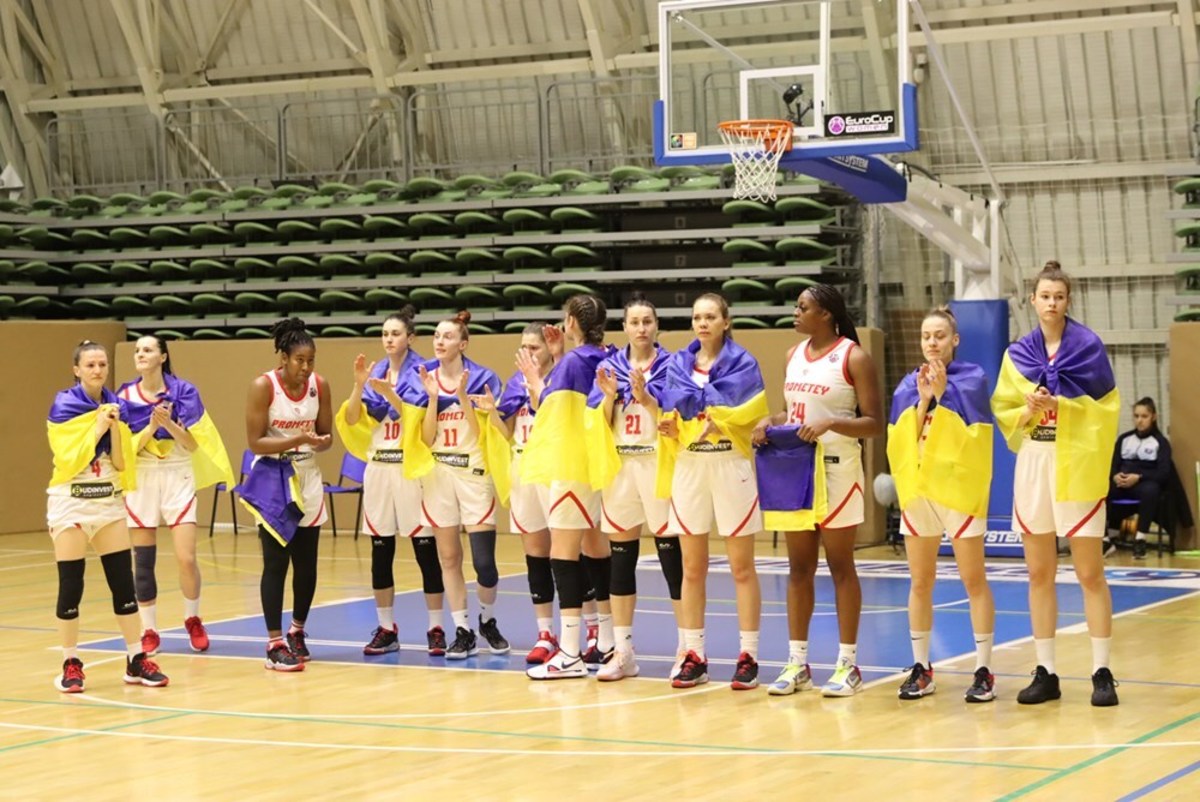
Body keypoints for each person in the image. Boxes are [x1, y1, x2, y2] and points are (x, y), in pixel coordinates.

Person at [992, 261, 1120, 706]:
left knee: (1089, 572)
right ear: (1033, 300)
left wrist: (1065, 405)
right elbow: (1005, 413)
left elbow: (1107, 411)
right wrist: (1028, 409)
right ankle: (1046, 671)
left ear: (1068, 301)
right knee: (1039, 573)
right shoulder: (1017, 355)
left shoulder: (1088, 347)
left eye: (1059, 297)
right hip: (1035, 462)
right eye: (1045, 296)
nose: (1051, 303)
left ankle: (1101, 671)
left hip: (1076, 460)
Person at [752, 284, 884, 698]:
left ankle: (847, 664)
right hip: (797, 473)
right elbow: (793, 413)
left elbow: (875, 423)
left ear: (825, 314)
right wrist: (766, 423)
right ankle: (797, 662)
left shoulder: (854, 357)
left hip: (838, 472)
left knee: (841, 567)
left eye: (803, 307)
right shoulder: (793, 356)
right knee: (798, 568)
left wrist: (832, 424)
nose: (795, 312)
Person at [886, 307, 997, 702]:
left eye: (939, 336)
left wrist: (944, 394)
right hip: (921, 493)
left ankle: (983, 669)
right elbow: (899, 441)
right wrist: (923, 401)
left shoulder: (972, 380)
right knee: (920, 581)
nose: (932, 342)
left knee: (973, 580)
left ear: (955, 340)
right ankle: (921, 667)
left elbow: (975, 437)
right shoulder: (907, 384)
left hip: (960, 492)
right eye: (926, 336)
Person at [659, 293, 768, 690]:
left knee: (741, 567)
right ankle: (694, 654)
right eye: (696, 317)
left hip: (730, 465)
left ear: (725, 321)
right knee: (692, 568)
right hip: (690, 467)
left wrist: (721, 421)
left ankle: (748, 655)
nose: (702, 323)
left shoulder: (744, 364)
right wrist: (671, 427)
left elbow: (754, 415)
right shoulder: (676, 365)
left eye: (710, 317)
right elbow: (671, 413)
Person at [46, 340, 169, 691]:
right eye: (90, 365)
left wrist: (115, 428)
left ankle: (135, 659)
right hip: (71, 501)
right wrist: (97, 427)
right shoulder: (64, 404)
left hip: (107, 501)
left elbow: (120, 462)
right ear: (77, 370)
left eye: (102, 365)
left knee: (123, 584)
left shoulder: (118, 406)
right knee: (72, 585)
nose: (98, 370)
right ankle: (70, 662)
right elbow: (68, 459)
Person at [334, 308, 448, 656]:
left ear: (410, 338)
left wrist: (390, 396)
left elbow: (415, 422)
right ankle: (386, 627)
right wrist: (358, 385)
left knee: (424, 552)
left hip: (410, 469)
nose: (388, 339)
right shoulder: (375, 373)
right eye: (385, 333)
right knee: (380, 552)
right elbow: (352, 419)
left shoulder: (424, 372)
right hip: (379, 469)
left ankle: (435, 627)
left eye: (395, 333)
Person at [397, 310, 510, 660]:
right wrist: (433, 398)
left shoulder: (482, 378)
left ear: (463, 343)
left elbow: (484, 435)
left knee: (484, 564)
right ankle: (462, 629)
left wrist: (461, 397)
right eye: (436, 336)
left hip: (473, 473)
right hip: (439, 475)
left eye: (447, 337)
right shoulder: (422, 378)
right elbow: (426, 439)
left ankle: (487, 620)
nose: (440, 341)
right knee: (449, 557)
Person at [521, 294, 619, 680]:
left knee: (563, 554)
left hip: (570, 464)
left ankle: (570, 652)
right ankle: (607, 640)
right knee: (596, 549)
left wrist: (535, 382)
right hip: (594, 466)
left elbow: (551, 407)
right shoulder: (603, 355)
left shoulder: (575, 361)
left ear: (571, 322)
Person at [588, 295, 685, 681]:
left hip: (657, 463)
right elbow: (598, 421)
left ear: (656, 326)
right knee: (621, 559)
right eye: (634, 322)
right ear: (624, 327)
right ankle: (623, 650)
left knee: (670, 558)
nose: (641, 328)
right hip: (621, 467)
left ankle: (687, 647)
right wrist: (610, 398)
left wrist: (646, 398)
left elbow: (678, 414)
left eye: (648, 321)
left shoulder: (673, 365)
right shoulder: (607, 366)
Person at [118, 336, 234, 657]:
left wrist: (168, 424)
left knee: (186, 557)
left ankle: (193, 618)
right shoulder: (125, 395)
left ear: (163, 356)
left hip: (177, 471)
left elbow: (195, 444)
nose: (141, 354)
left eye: (148, 350)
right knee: (143, 562)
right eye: (137, 350)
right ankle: (149, 630)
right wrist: (148, 428)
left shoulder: (184, 392)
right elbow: (126, 449)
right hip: (143, 474)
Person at [239, 318, 333, 671]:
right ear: (283, 358)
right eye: (299, 361)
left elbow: (326, 435)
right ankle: (274, 643)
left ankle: (297, 631)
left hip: (307, 475)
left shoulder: (319, 385)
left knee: (307, 564)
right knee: (275, 563)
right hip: (274, 477)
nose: (306, 368)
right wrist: (299, 439)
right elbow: (255, 441)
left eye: (311, 361)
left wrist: (320, 442)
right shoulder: (263, 386)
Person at [1107, 397, 1171, 560]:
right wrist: (1115, 476)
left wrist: (1139, 477)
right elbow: (1113, 465)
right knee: (1102, 488)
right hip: (1122, 482)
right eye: (1136, 416)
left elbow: (1163, 473)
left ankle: (1140, 539)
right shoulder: (1124, 439)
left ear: (1153, 417)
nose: (1139, 421)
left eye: (1144, 416)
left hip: (1143, 483)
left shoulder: (1160, 442)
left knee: (1152, 490)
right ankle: (1106, 539)